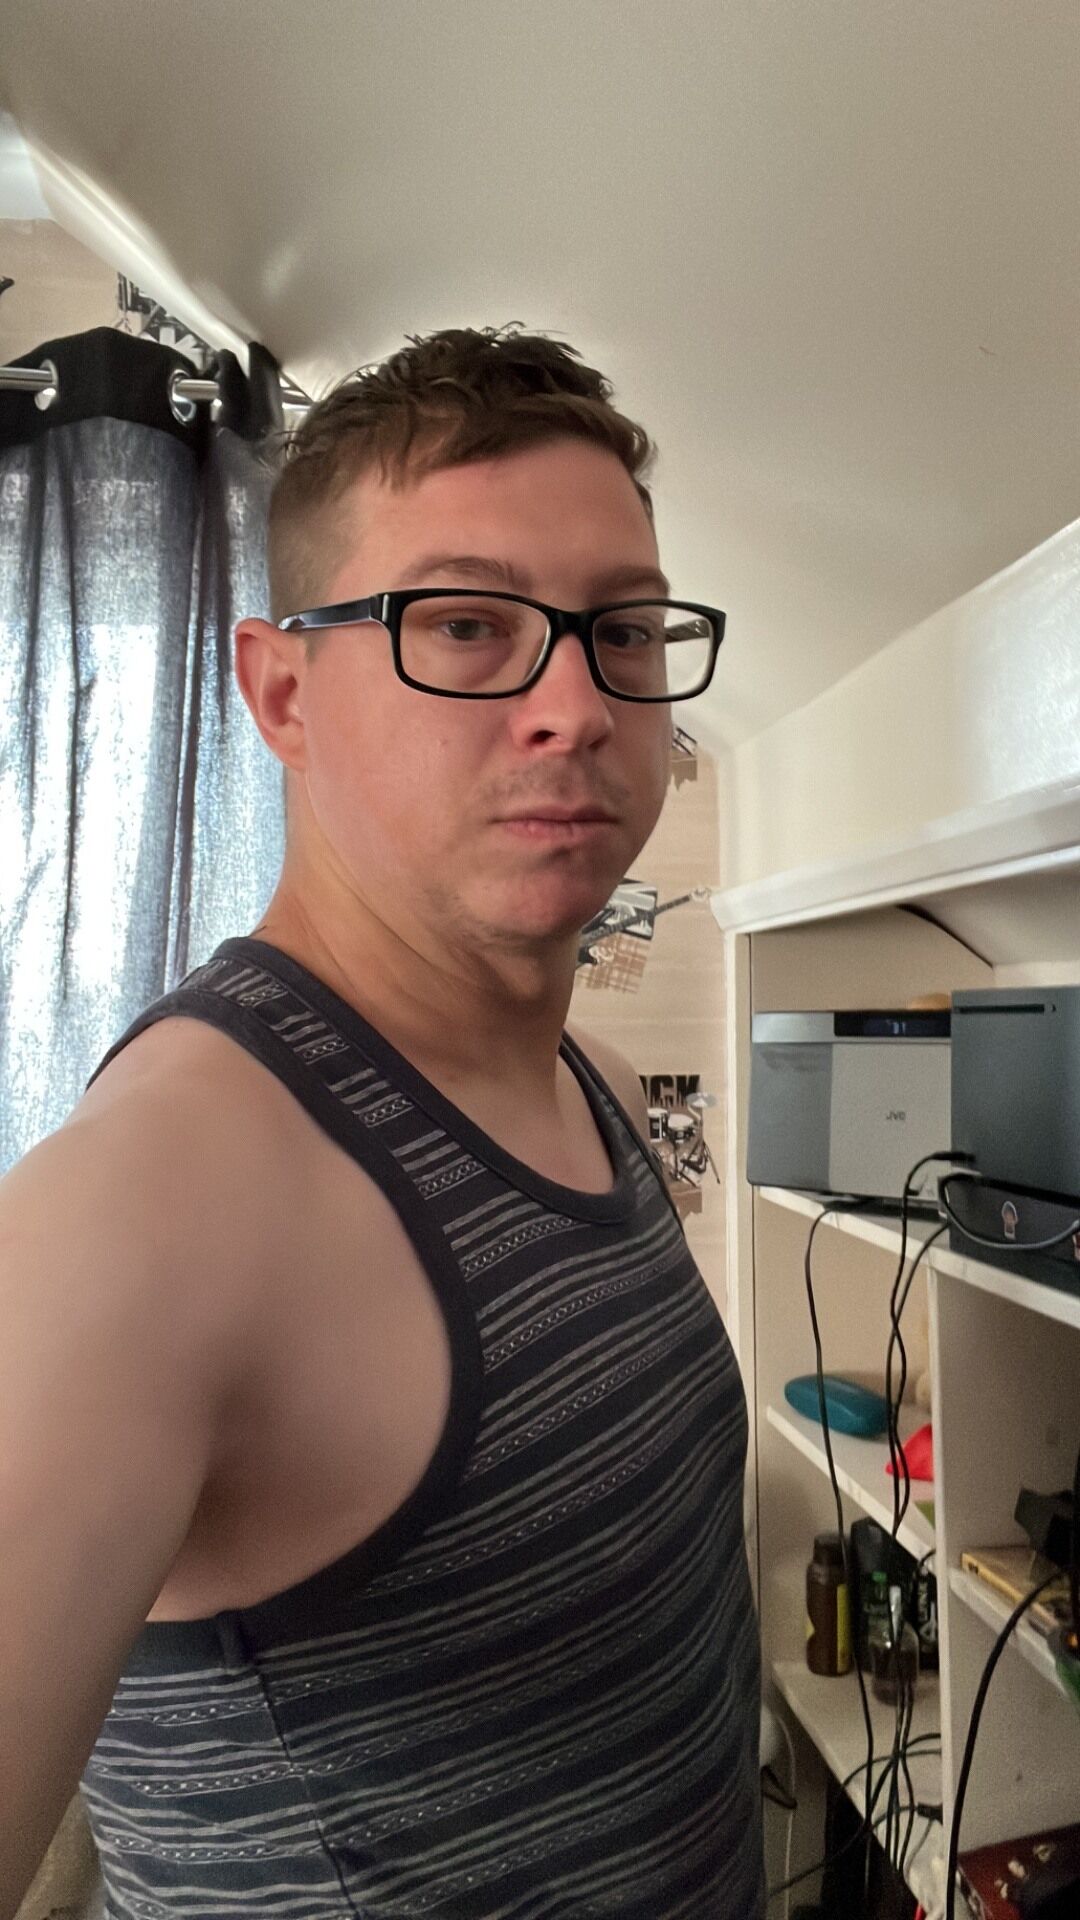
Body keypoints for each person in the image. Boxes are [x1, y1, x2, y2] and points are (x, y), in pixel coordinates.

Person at [1, 326, 763, 1918]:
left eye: (625, 630)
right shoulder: (147, 1208)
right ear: (280, 691)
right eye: (468, 626)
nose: (576, 705)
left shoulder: (602, 1091)